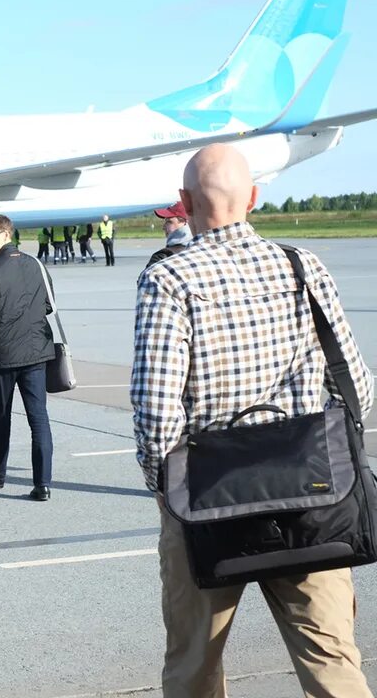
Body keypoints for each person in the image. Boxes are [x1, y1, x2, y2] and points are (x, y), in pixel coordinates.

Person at [131, 143, 375, 697]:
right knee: (332, 661)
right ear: (254, 198)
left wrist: (164, 489)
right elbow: (354, 382)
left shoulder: (170, 278)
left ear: (183, 203)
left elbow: (156, 409)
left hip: (209, 494)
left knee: (194, 664)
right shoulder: (302, 264)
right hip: (309, 489)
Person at [0, 215, 55, 501]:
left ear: (6, 234)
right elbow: (48, 304)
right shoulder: (36, 264)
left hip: (5, 352)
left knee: (2, 416)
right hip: (36, 350)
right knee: (38, 418)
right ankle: (42, 483)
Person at [143, 201, 193, 270]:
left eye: (169, 222)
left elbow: (145, 280)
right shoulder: (206, 252)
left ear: (185, 223)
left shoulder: (162, 257)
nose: (163, 227)